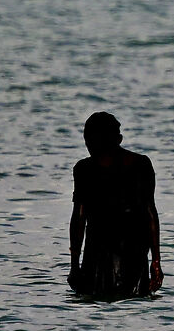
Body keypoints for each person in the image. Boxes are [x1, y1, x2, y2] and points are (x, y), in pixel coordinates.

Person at [68, 111, 163, 298]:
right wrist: (156, 261)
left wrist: (74, 265)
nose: (88, 145)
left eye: (91, 140)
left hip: (116, 252)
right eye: (86, 140)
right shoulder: (84, 169)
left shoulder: (137, 165)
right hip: (112, 252)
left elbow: (79, 219)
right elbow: (79, 217)